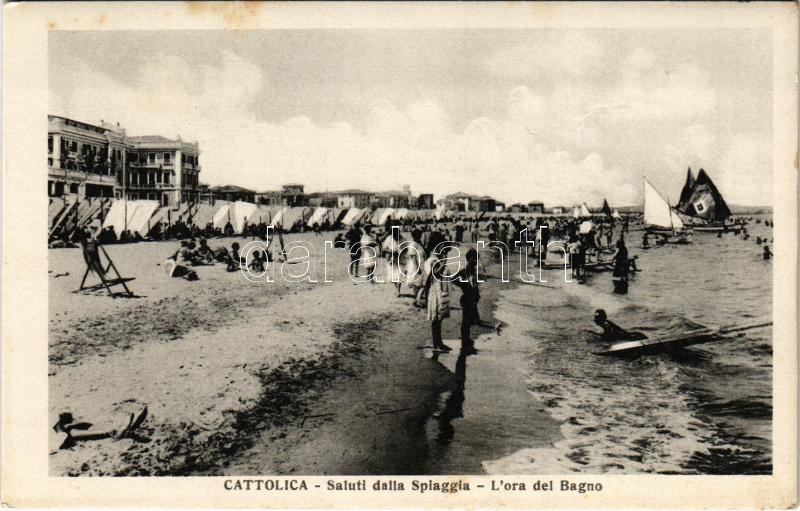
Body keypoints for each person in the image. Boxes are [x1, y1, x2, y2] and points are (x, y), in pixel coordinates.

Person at [453, 248, 501, 355]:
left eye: (476, 259)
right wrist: (463, 286)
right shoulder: (464, 271)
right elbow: (454, 279)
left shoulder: (473, 271)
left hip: (473, 298)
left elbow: (474, 284)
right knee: (467, 323)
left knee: (471, 321)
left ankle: (466, 344)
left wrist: (476, 293)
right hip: (467, 298)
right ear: (468, 259)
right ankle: (465, 345)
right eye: (473, 259)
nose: (475, 262)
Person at [424, 242, 453, 352]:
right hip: (435, 292)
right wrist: (444, 263)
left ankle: (438, 342)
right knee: (436, 319)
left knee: (439, 319)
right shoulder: (433, 260)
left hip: (440, 291)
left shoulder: (437, 260)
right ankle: (437, 343)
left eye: (446, 252)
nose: (446, 254)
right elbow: (435, 273)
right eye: (444, 251)